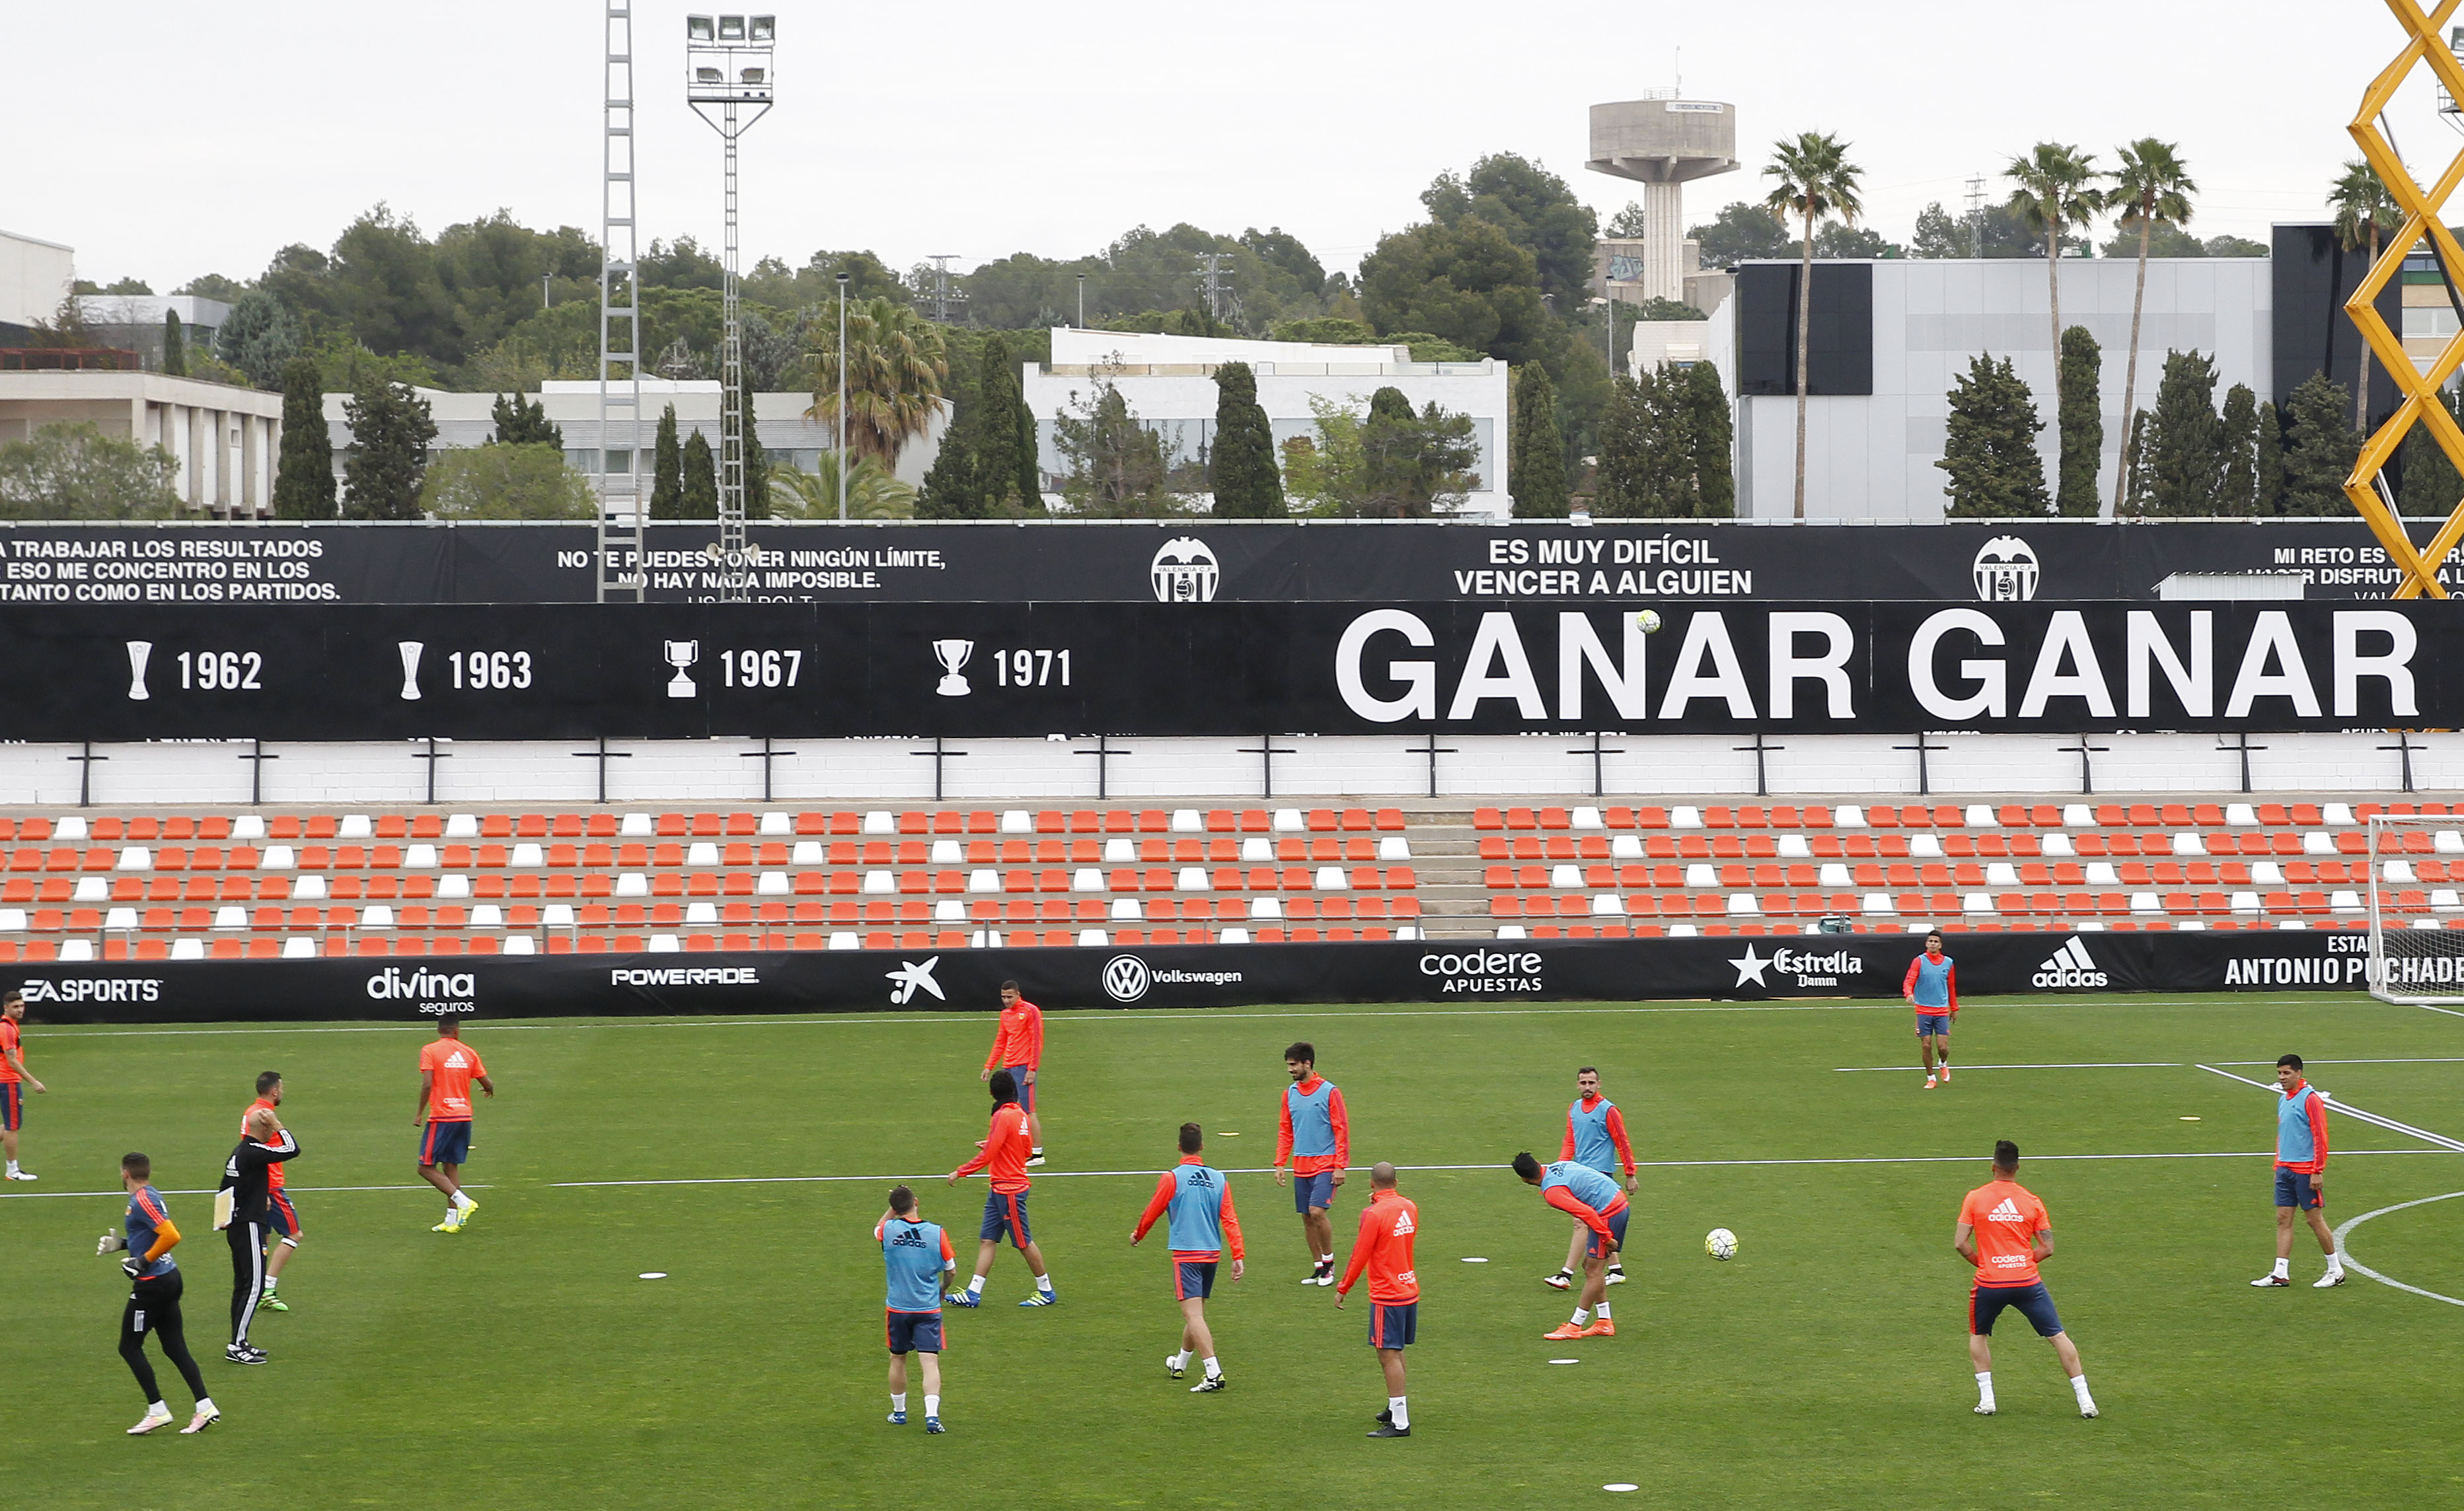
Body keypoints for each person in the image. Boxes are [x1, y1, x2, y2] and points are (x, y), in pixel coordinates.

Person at [1956, 1139, 2096, 1418]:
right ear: (2017, 1168)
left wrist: (1985, 1263)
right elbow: (2048, 1248)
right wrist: (2021, 1262)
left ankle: (1987, 1400)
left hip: (1990, 1283)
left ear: (1993, 1167)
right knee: (2058, 1336)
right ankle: (2086, 1401)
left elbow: (1961, 1243)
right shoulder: (2032, 1201)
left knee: (1978, 1334)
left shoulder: (1975, 1198)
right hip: (2027, 1283)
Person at [97, 1152, 218, 1435]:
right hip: (168, 1278)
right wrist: (123, 1244)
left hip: (153, 1285)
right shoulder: (150, 1195)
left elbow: (171, 1235)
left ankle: (158, 1410)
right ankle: (205, 1406)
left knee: (129, 1347)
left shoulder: (141, 1200)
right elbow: (151, 1235)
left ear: (125, 1173)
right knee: (174, 1347)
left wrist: (142, 1261)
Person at [1131, 1122, 1244, 1394]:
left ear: (1179, 1147)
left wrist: (1138, 1234)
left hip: (1186, 1255)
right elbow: (1229, 1218)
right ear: (1202, 1147)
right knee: (1197, 1315)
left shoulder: (1172, 1178)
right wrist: (1238, 1254)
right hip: (1211, 1255)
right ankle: (1179, 1363)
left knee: (1193, 1316)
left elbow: (1153, 1210)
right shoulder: (1219, 1179)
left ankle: (1213, 1373)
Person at [946, 1070, 1057, 1308]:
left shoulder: (1001, 1116)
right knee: (988, 1240)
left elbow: (989, 1155)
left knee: (1023, 1242)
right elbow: (1025, 1150)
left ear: (992, 1093)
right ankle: (973, 1293)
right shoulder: (1020, 1115)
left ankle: (1046, 1290)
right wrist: (995, 1143)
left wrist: (960, 1171)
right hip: (1000, 1188)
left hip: (1009, 1190)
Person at [1334, 1161, 1419, 1438]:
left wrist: (1344, 1287)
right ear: (1396, 1183)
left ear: (1372, 1184)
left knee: (1387, 1354)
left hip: (1388, 1294)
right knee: (1396, 1350)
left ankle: (1400, 1422)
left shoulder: (1373, 1214)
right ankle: (1396, 1408)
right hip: (1408, 1288)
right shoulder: (1410, 1207)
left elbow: (1361, 1254)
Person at [2253, 1054, 2343, 1289]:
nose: (2282, 1078)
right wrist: (2278, 1164)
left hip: (2305, 1170)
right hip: (2285, 1169)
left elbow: (2320, 1135)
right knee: (2283, 1219)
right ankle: (2280, 1273)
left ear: (2298, 1073)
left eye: (2287, 1073)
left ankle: (2336, 1269)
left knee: (2314, 1220)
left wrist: (2317, 1170)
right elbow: (2282, 1135)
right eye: (2279, 1073)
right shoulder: (2283, 1099)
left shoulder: (2310, 1100)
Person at [1512, 1152, 1625, 1341]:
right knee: (1589, 1266)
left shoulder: (1553, 1193)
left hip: (1609, 1212)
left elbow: (1587, 1213)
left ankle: (1575, 1325)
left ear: (1524, 1180)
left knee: (1593, 1271)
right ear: (1539, 1163)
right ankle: (1604, 1322)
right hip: (1614, 1201)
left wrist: (1607, 1238)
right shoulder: (1560, 1165)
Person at [217, 1106, 299, 1364]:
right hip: (250, 1225)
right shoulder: (254, 1151)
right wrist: (278, 1124)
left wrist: (222, 1220)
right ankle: (236, 1346)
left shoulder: (238, 1153)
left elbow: (225, 1187)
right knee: (254, 1285)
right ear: (264, 1128)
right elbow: (292, 1149)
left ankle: (240, 1341)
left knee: (242, 1286)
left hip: (237, 1225)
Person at [1546, 1067, 1637, 1292]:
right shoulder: (1574, 1109)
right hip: (1580, 1175)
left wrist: (1630, 1174)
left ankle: (1566, 1274)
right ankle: (1616, 1270)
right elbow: (1570, 1141)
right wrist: (1560, 1168)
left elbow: (1622, 1142)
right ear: (1577, 1085)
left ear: (1599, 1084)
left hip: (1600, 1176)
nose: (1587, 1087)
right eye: (1583, 1083)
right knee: (1598, 1223)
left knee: (1582, 1222)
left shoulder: (1609, 1110)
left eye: (1591, 1083)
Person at [877, 1184, 955, 1435]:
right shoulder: (937, 1233)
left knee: (898, 1358)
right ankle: (932, 1416)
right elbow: (951, 1270)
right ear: (916, 1202)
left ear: (895, 1209)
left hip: (898, 1309)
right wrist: (943, 1288)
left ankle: (899, 1413)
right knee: (930, 1362)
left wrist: (893, 1206)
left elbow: (878, 1227)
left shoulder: (888, 1230)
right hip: (928, 1309)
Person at [1273, 1042, 1349, 1286]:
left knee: (1317, 1212)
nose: (1290, 1070)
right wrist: (1280, 1163)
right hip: (1301, 1165)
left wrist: (1340, 1165)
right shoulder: (1290, 1094)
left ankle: (1329, 1264)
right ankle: (1318, 1267)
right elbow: (1286, 1130)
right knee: (1306, 1217)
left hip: (1325, 1163)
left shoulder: (1330, 1092)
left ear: (1307, 1064)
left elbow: (1341, 1129)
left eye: (1294, 1065)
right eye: (1288, 1065)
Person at [414, 1015, 492, 1234]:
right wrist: (488, 1090)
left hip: (443, 1116)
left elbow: (427, 1084)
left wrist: (419, 1113)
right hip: (464, 1116)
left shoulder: (430, 1050)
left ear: (439, 1030)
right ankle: (452, 1221)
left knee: (425, 1167)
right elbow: (487, 1082)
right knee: (450, 1165)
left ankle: (464, 1202)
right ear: (457, 1031)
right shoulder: (468, 1052)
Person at [244, 1072, 301, 1312]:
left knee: (263, 1240)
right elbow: (268, 1152)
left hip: (261, 1187)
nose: (283, 1092)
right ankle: (267, 1289)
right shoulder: (265, 1116)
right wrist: (265, 1191)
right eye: (282, 1088)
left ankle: (256, 1289)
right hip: (271, 1186)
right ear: (274, 1091)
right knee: (294, 1234)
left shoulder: (251, 1112)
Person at [981, 980, 1045, 1167]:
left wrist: (1032, 1069)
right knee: (1009, 1110)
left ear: (1018, 994)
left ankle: (1038, 1154)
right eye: (1003, 997)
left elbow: (1036, 1041)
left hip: (1024, 1067)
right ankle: (1014, 1149)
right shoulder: (1005, 1015)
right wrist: (989, 1066)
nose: (1007, 1000)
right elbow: (1001, 1041)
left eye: (1010, 996)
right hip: (1008, 1067)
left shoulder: (1031, 1011)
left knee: (1028, 1111)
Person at [1904, 931, 1957, 1089]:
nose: (1933, 944)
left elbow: (1951, 987)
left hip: (1941, 1011)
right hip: (1923, 1010)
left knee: (1943, 1048)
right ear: (1926, 944)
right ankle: (1931, 1077)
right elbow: (1910, 979)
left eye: (1936, 941)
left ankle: (1943, 1063)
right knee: (1926, 1045)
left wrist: (1954, 1008)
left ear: (1940, 945)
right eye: (1931, 941)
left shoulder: (1948, 963)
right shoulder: (1919, 961)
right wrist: (1909, 993)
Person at [3, 989, 46, 1180]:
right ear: (6, 1008)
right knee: (13, 1127)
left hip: (5, 1080)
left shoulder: (9, 1026)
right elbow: (12, 1060)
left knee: (11, 1125)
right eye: (16, 1007)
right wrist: (33, 1081)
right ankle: (12, 1171)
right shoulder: (7, 1029)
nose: (20, 1010)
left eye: (22, 1006)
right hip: (8, 1081)